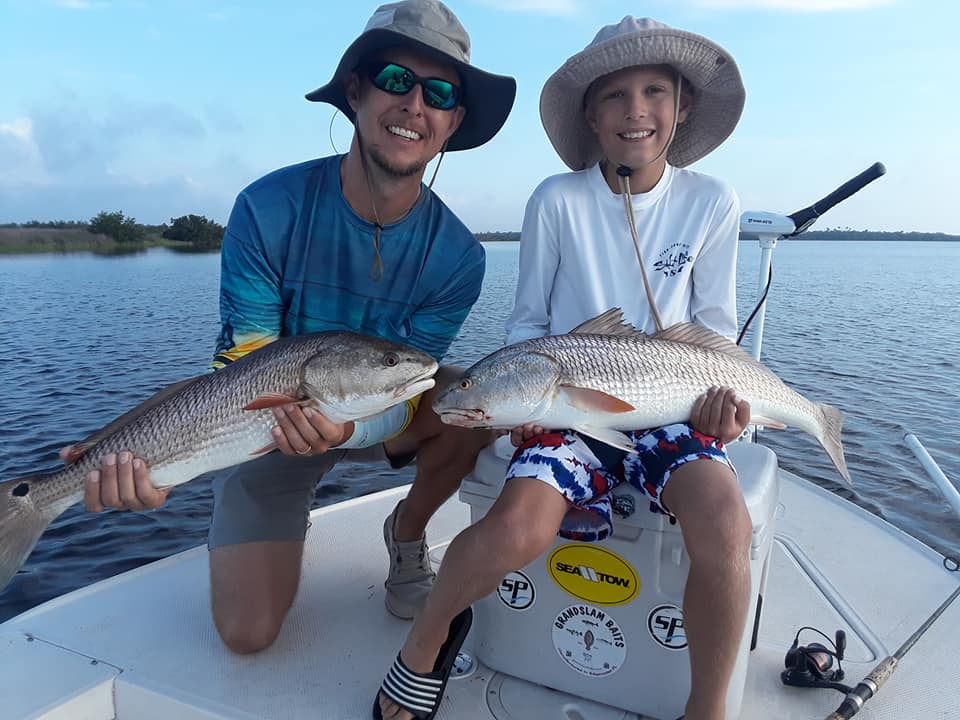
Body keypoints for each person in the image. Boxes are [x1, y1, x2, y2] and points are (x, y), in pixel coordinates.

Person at [68, 0, 517, 655]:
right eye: (396, 80)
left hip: (376, 412)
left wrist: (343, 429)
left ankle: (409, 532)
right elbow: (242, 364)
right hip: (262, 422)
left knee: (481, 396)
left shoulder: (459, 258)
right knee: (248, 636)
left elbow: (411, 387)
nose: (414, 105)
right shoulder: (267, 207)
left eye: (439, 92)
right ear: (357, 92)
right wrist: (151, 465)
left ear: (453, 120)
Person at [377, 17, 750, 720]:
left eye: (653, 92)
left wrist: (719, 405)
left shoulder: (712, 202)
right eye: (613, 96)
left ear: (684, 105)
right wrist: (520, 410)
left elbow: (716, 334)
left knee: (726, 520)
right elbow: (526, 328)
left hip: (670, 404)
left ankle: (708, 708)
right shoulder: (557, 200)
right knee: (519, 526)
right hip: (563, 403)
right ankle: (424, 646)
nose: (635, 111)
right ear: (589, 113)